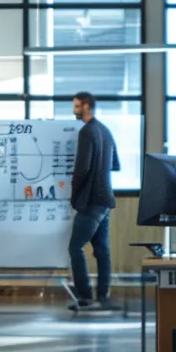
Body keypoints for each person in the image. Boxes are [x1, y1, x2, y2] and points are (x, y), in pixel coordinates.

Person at [67, 91, 120, 311]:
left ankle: (85, 296)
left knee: (75, 247)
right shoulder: (105, 131)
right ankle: (103, 297)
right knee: (102, 249)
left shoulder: (87, 132)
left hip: (91, 200)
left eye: (77, 106)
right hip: (106, 199)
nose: (74, 110)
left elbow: (82, 168)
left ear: (86, 106)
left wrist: (74, 193)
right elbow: (115, 164)